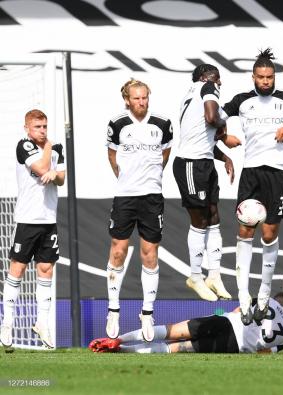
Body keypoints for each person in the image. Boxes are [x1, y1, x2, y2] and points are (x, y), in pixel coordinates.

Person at [221, 48, 283, 325]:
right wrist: (223, 136)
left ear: (274, 76)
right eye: (261, 77)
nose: (266, 81)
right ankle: (243, 298)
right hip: (251, 171)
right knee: (245, 230)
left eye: (269, 77)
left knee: (269, 233)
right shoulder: (242, 101)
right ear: (253, 77)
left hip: (279, 173)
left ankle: (264, 297)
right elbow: (215, 117)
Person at [105, 79, 173, 342]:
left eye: (145, 98)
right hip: (125, 196)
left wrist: (150, 177)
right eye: (137, 98)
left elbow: (165, 155)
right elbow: (112, 157)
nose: (142, 102)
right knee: (118, 249)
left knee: (149, 252)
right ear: (127, 100)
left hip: (152, 197)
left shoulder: (162, 124)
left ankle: (147, 312)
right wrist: (127, 179)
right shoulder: (117, 124)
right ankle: (113, 310)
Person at [173, 64, 241, 302]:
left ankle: (214, 275)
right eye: (216, 78)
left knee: (213, 217)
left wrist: (224, 157)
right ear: (204, 78)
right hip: (191, 165)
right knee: (200, 221)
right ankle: (195, 276)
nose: (219, 83)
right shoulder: (206, 87)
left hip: (204, 162)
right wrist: (225, 130)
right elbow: (212, 118)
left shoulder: (194, 94)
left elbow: (202, 137)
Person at [1, 110, 65, 351]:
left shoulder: (58, 147)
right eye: (38, 126)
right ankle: (7, 323)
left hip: (49, 218)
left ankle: (43, 323)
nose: (42, 130)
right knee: (17, 268)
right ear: (27, 128)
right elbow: (40, 167)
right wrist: (48, 151)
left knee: (46, 269)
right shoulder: (24, 145)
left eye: (45, 126)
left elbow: (61, 178)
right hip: (28, 218)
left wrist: (54, 174)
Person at [88, 294, 283, 354]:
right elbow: (264, 353)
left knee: (174, 330)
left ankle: (118, 339)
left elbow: (240, 311)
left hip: (225, 322)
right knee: (179, 348)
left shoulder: (267, 301)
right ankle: (123, 351)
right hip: (235, 345)